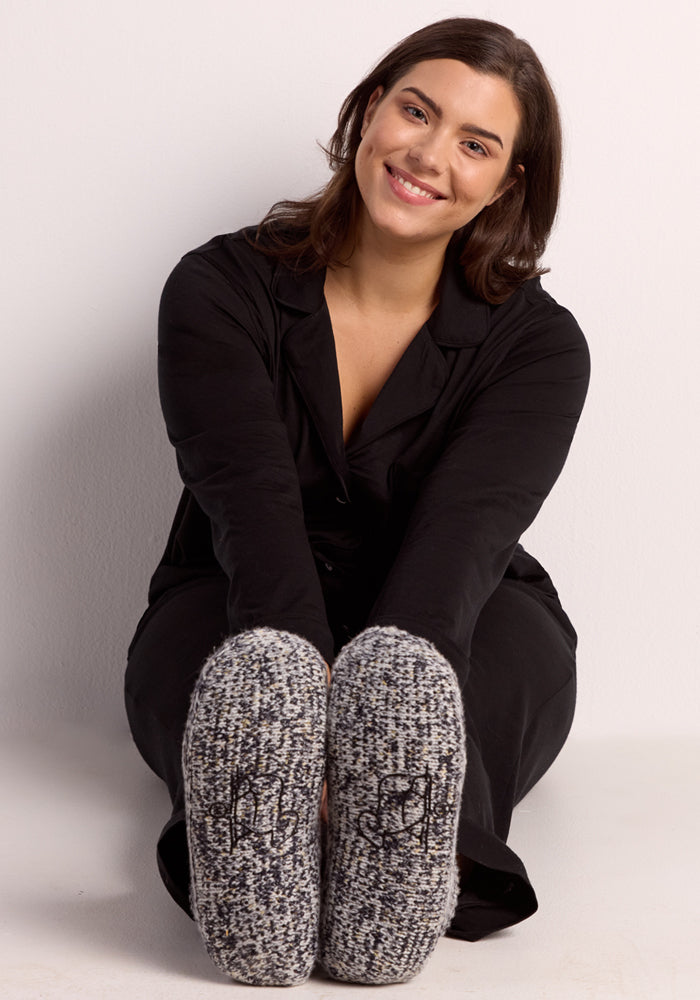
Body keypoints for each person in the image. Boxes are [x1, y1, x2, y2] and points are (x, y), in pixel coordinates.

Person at [125, 16, 590, 988]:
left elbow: (462, 544)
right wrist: (303, 710)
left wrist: (379, 711)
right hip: (239, 591)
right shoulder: (218, 288)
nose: (428, 154)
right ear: (371, 108)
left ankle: (390, 853)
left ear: (506, 184)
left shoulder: (539, 347)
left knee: (434, 698)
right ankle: (262, 851)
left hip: (462, 610)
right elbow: (247, 512)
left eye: (474, 143)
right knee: (242, 680)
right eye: (415, 111)